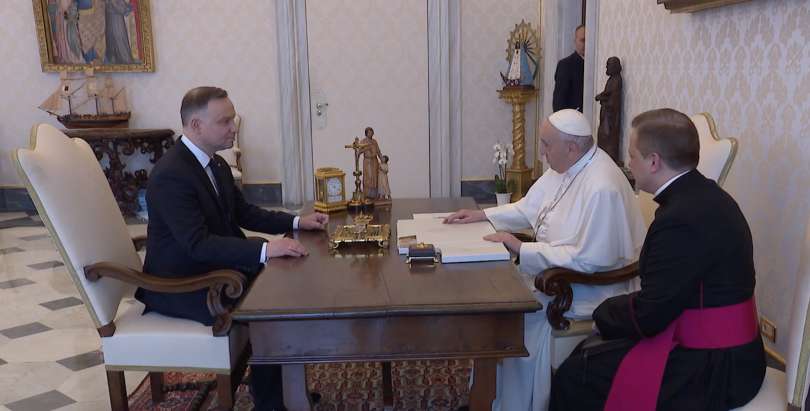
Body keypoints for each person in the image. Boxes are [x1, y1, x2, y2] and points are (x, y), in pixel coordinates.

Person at [550, 108, 765, 411]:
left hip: (716, 365)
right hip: (726, 347)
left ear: (654, 162)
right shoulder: (704, 196)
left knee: (575, 376)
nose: (629, 164)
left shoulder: (680, 219)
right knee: (587, 356)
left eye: (632, 156)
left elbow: (650, 316)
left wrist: (604, 312)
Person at [137, 86, 329, 411]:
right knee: (273, 302)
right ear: (196, 126)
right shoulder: (171, 175)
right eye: (225, 121)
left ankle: (278, 390)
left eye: (233, 119)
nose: (233, 127)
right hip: (183, 283)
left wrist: (297, 222)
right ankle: (271, 402)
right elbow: (196, 245)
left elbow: (244, 213)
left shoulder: (217, 165)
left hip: (213, 269)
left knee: (285, 284)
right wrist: (266, 250)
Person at [444, 109, 646, 411]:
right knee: (492, 305)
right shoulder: (566, 166)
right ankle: (490, 399)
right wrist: (482, 215)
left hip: (587, 289)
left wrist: (521, 249)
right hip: (554, 272)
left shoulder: (602, 186)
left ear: (572, 147)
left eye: (546, 144)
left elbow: (590, 260)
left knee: (510, 317)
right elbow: (529, 208)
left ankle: (517, 405)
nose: (541, 153)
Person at [552, 25, 585, 112]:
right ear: (575, 41)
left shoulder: (598, 64)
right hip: (572, 121)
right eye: (583, 40)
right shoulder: (565, 65)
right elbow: (558, 102)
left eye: (589, 40)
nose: (586, 44)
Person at [359, 127, 383, 200]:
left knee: (375, 177)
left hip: (374, 161)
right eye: (369, 132)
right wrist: (366, 148)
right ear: (366, 133)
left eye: (372, 132)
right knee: (368, 177)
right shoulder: (363, 141)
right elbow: (359, 151)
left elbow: (378, 151)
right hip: (367, 162)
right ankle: (367, 195)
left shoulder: (374, 141)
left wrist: (382, 159)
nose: (371, 133)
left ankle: (375, 195)